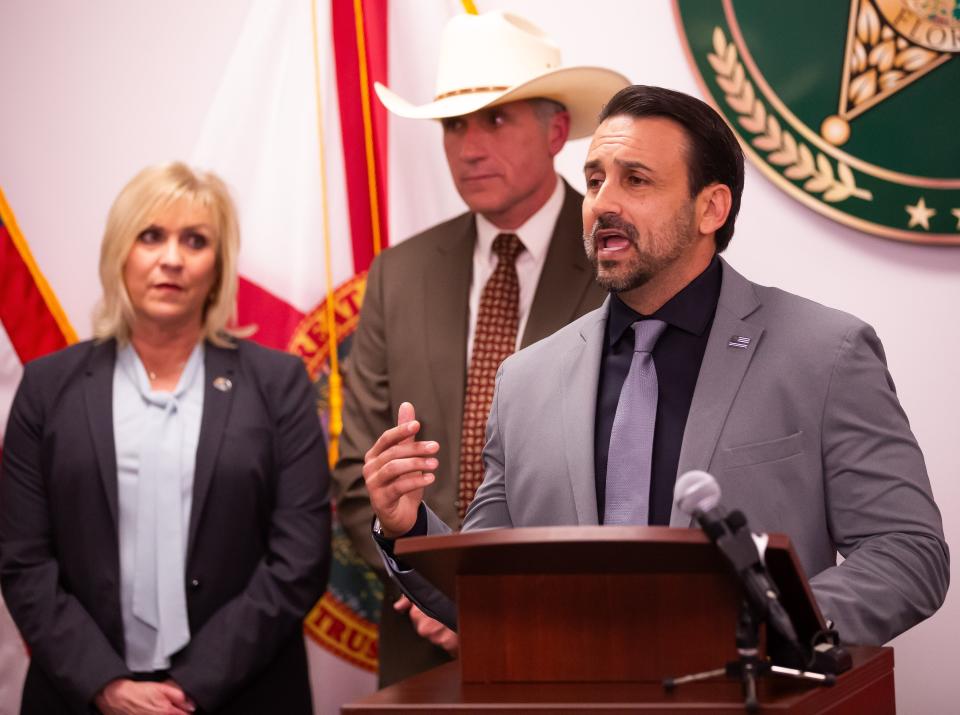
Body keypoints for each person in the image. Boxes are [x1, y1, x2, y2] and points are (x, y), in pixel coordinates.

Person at [362, 86, 949, 648]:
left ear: (711, 207)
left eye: (635, 180)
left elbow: (906, 551)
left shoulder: (826, 353)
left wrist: (769, 627)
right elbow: (484, 585)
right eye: (594, 181)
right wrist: (408, 525)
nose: (602, 203)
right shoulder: (525, 380)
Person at [332, 10, 628, 685]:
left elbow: (628, 470)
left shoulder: (623, 259)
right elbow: (361, 474)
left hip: (580, 637)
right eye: (454, 124)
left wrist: (495, 600)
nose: (469, 145)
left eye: (495, 119)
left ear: (557, 131)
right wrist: (433, 590)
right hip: (420, 647)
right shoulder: (398, 273)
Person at [0, 163, 331, 714]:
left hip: (244, 693)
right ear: (120, 252)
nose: (171, 258)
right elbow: (22, 559)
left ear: (218, 265)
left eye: (195, 240)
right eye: (151, 235)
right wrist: (104, 684)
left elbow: (300, 556)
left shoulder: (278, 383)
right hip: (79, 696)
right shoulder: (47, 387)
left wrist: (193, 686)